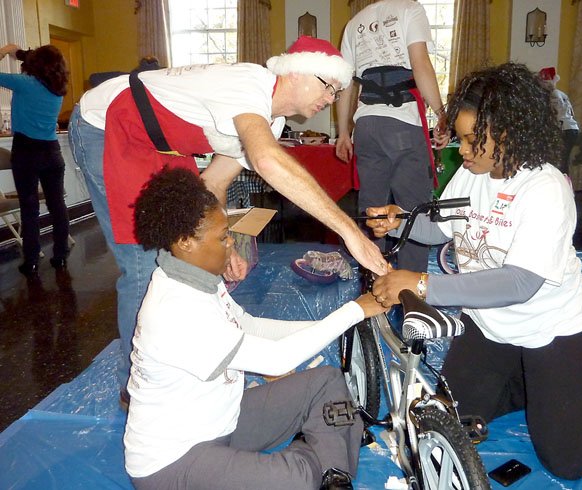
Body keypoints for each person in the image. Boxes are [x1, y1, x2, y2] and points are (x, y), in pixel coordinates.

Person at [68, 36, 388, 401]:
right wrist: (350, 232)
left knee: (191, 248)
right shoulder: (248, 84)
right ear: (296, 72)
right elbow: (268, 162)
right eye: (328, 86)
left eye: (336, 92)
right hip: (108, 125)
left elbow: (215, 182)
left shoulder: (274, 121)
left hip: (163, 145)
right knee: (143, 263)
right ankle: (139, 388)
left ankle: (190, 350)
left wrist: (227, 246)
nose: (331, 99)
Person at [366, 63, 582, 480]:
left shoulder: (545, 188)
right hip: (490, 326)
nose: (463, 150)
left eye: (474, 140)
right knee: (448, 422)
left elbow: (520, 282)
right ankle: (525, 379)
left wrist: (422, 283)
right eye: (460, 138)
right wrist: (399, 220)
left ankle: (542, 378)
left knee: (571, 463)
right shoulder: (471, 173)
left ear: (509, 133)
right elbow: (439, 227)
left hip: (551, 327)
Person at [125, 166, 387, 490]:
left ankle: (332, 472)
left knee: (328, 382)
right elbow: (276, 361)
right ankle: (325, 460)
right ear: (184, 242)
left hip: (224, 420)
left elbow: (249, 325)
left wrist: (322, 325)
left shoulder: (197, 278)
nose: (231, 243)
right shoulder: (174, 310)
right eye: (223, 237)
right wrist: (354, 310)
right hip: (174, 462)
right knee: (301, 477)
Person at [335, 0, 449, 273]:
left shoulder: (354, 23)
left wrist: (342, 133)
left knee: (372, 209)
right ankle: (410, 287)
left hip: (366, 126)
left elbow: (345, 83)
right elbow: (420, 64)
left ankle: (373, 279)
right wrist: (442, 113)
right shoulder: (410, 10)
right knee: (412, 211)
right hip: (402, 124)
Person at [0, 44, 70, 276]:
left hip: (26, 151)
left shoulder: (25, 83)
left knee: (29, 208)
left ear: (35, 64)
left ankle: (30, 260)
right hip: (52, 152)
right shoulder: (57, 88)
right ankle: (60, 256)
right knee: (57, 205)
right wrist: (20, 53)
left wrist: (4, 51)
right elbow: (41, 64)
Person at [539, 66, 579, 175]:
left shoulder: (553, 95)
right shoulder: (561, 94)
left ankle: (562, 184)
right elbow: (571, 113)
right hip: (569, 128)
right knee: (561, 160)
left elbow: (555, 114)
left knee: (559, 161)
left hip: (564, 129)